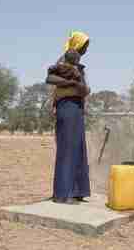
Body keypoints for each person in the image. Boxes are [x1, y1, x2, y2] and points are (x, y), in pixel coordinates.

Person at [45, 31, 91, 204]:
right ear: (77, 45)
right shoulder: (63, 63)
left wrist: (83, 88)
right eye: (85, 45)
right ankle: (63, 193)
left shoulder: (77, 65)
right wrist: (72, 83)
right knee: (67, 148)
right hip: (67, 106)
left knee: (78, 148)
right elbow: (50, 79)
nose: (86, 49)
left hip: (77, 107)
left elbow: (84, 88)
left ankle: (78, 191)